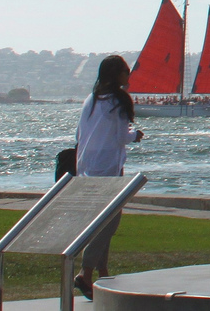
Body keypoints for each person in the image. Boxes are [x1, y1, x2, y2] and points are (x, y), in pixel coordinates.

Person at [74, 56, 143, 298]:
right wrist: (136, 135)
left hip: (87, 166)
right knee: (109, 223)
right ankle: (86, 271)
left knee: (103, 220)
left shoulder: (91, 100)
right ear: (116, 74)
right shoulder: (117, 101)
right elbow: (120, 136)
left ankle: (103, 273)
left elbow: (79, 134)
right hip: (108, 168)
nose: (128, 75)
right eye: (126, 71)